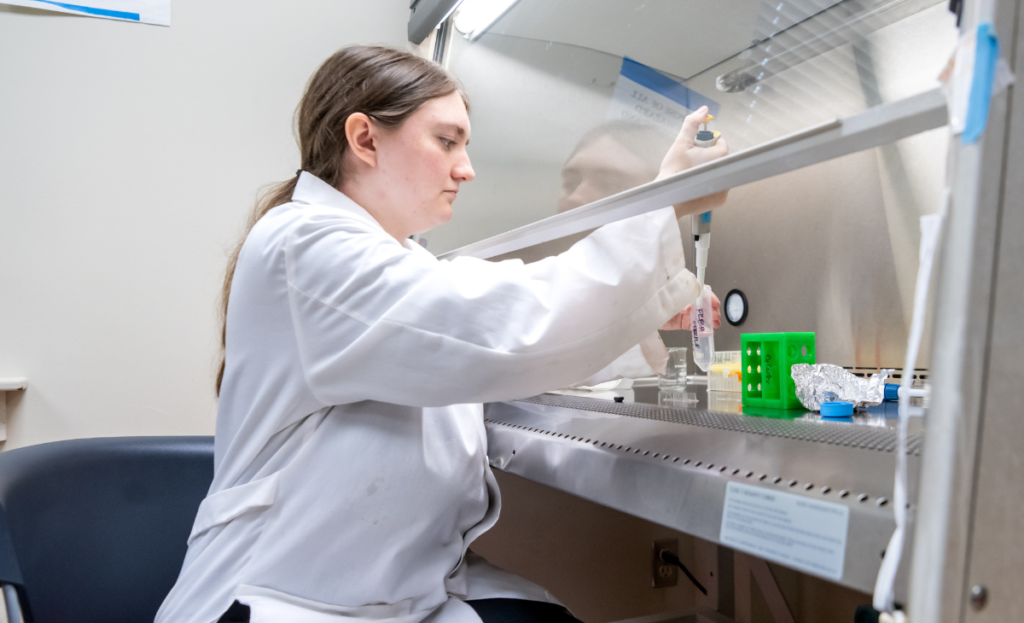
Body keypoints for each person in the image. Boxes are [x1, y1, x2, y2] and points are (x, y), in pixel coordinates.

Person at [155, 46, 729, 623]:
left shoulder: (401, 261)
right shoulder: (307, 247)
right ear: (365, 139)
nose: (466, 168)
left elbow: (488, 337)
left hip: (392, 595)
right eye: (447, 141)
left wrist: (652, 328)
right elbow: (508, 327)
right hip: (285, 601)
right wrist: (666, 199)